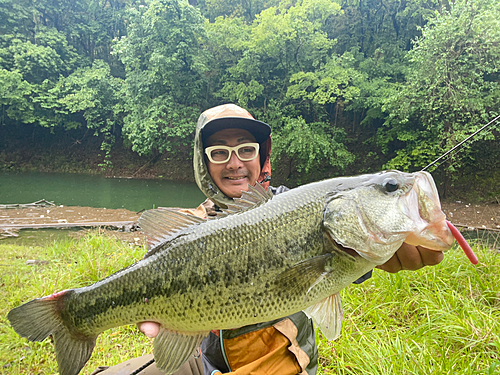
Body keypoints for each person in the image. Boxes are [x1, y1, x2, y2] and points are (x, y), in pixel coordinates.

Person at [96, 104, 444, 375]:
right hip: (201, 360)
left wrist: (389, 250)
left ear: (262, 155)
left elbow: (348, 257)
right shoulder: (194, 226)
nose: (234, 163)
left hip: (277, 364)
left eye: (246, 150)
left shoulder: (295, 208)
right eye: (219, 153)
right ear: (203, 164)